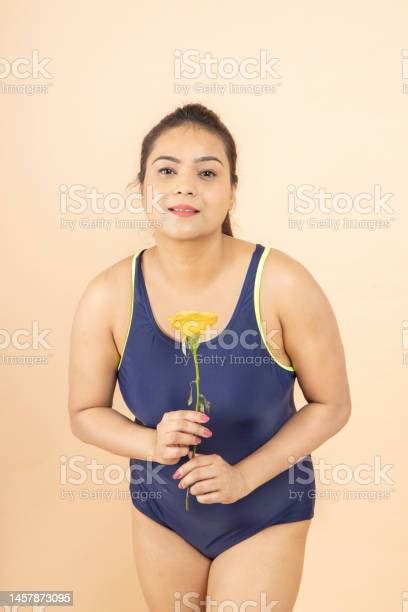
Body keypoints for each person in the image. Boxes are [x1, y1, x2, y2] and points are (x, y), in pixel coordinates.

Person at [68, 103, 351, 611]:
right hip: (162, 512)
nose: (184, 186)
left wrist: (244, 477)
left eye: (207, 172)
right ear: (141, 189)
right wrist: (152, 443)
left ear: (231, 191)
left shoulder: (283, 283)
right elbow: (85, 414)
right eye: (167, 170)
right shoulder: (107, 295)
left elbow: (332, 405)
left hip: (266, 507)